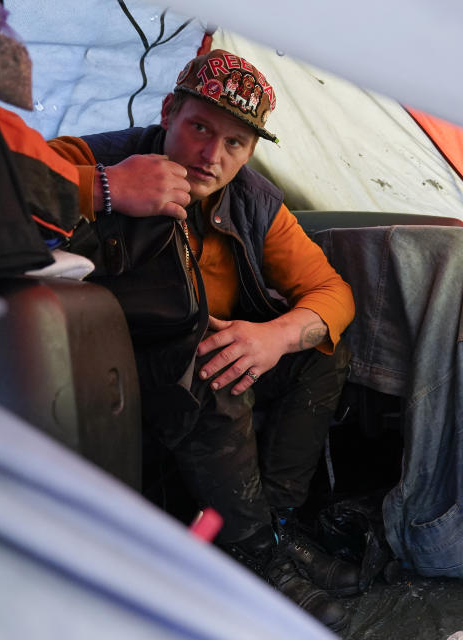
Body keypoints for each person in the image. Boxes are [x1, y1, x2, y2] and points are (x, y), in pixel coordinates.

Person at [48, 49, 357, 632]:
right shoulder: (100, 156)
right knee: (209, 359)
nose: (211, 155)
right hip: (120, 370)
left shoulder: (255, 202)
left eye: (236, 143)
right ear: (168, 112)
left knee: (320, 347)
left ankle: (278, 527)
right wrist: (107, 187)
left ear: (251, 153)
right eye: (199, 128)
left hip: (202, 369)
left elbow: (333, 293)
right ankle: (255, 560)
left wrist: (275, 335)